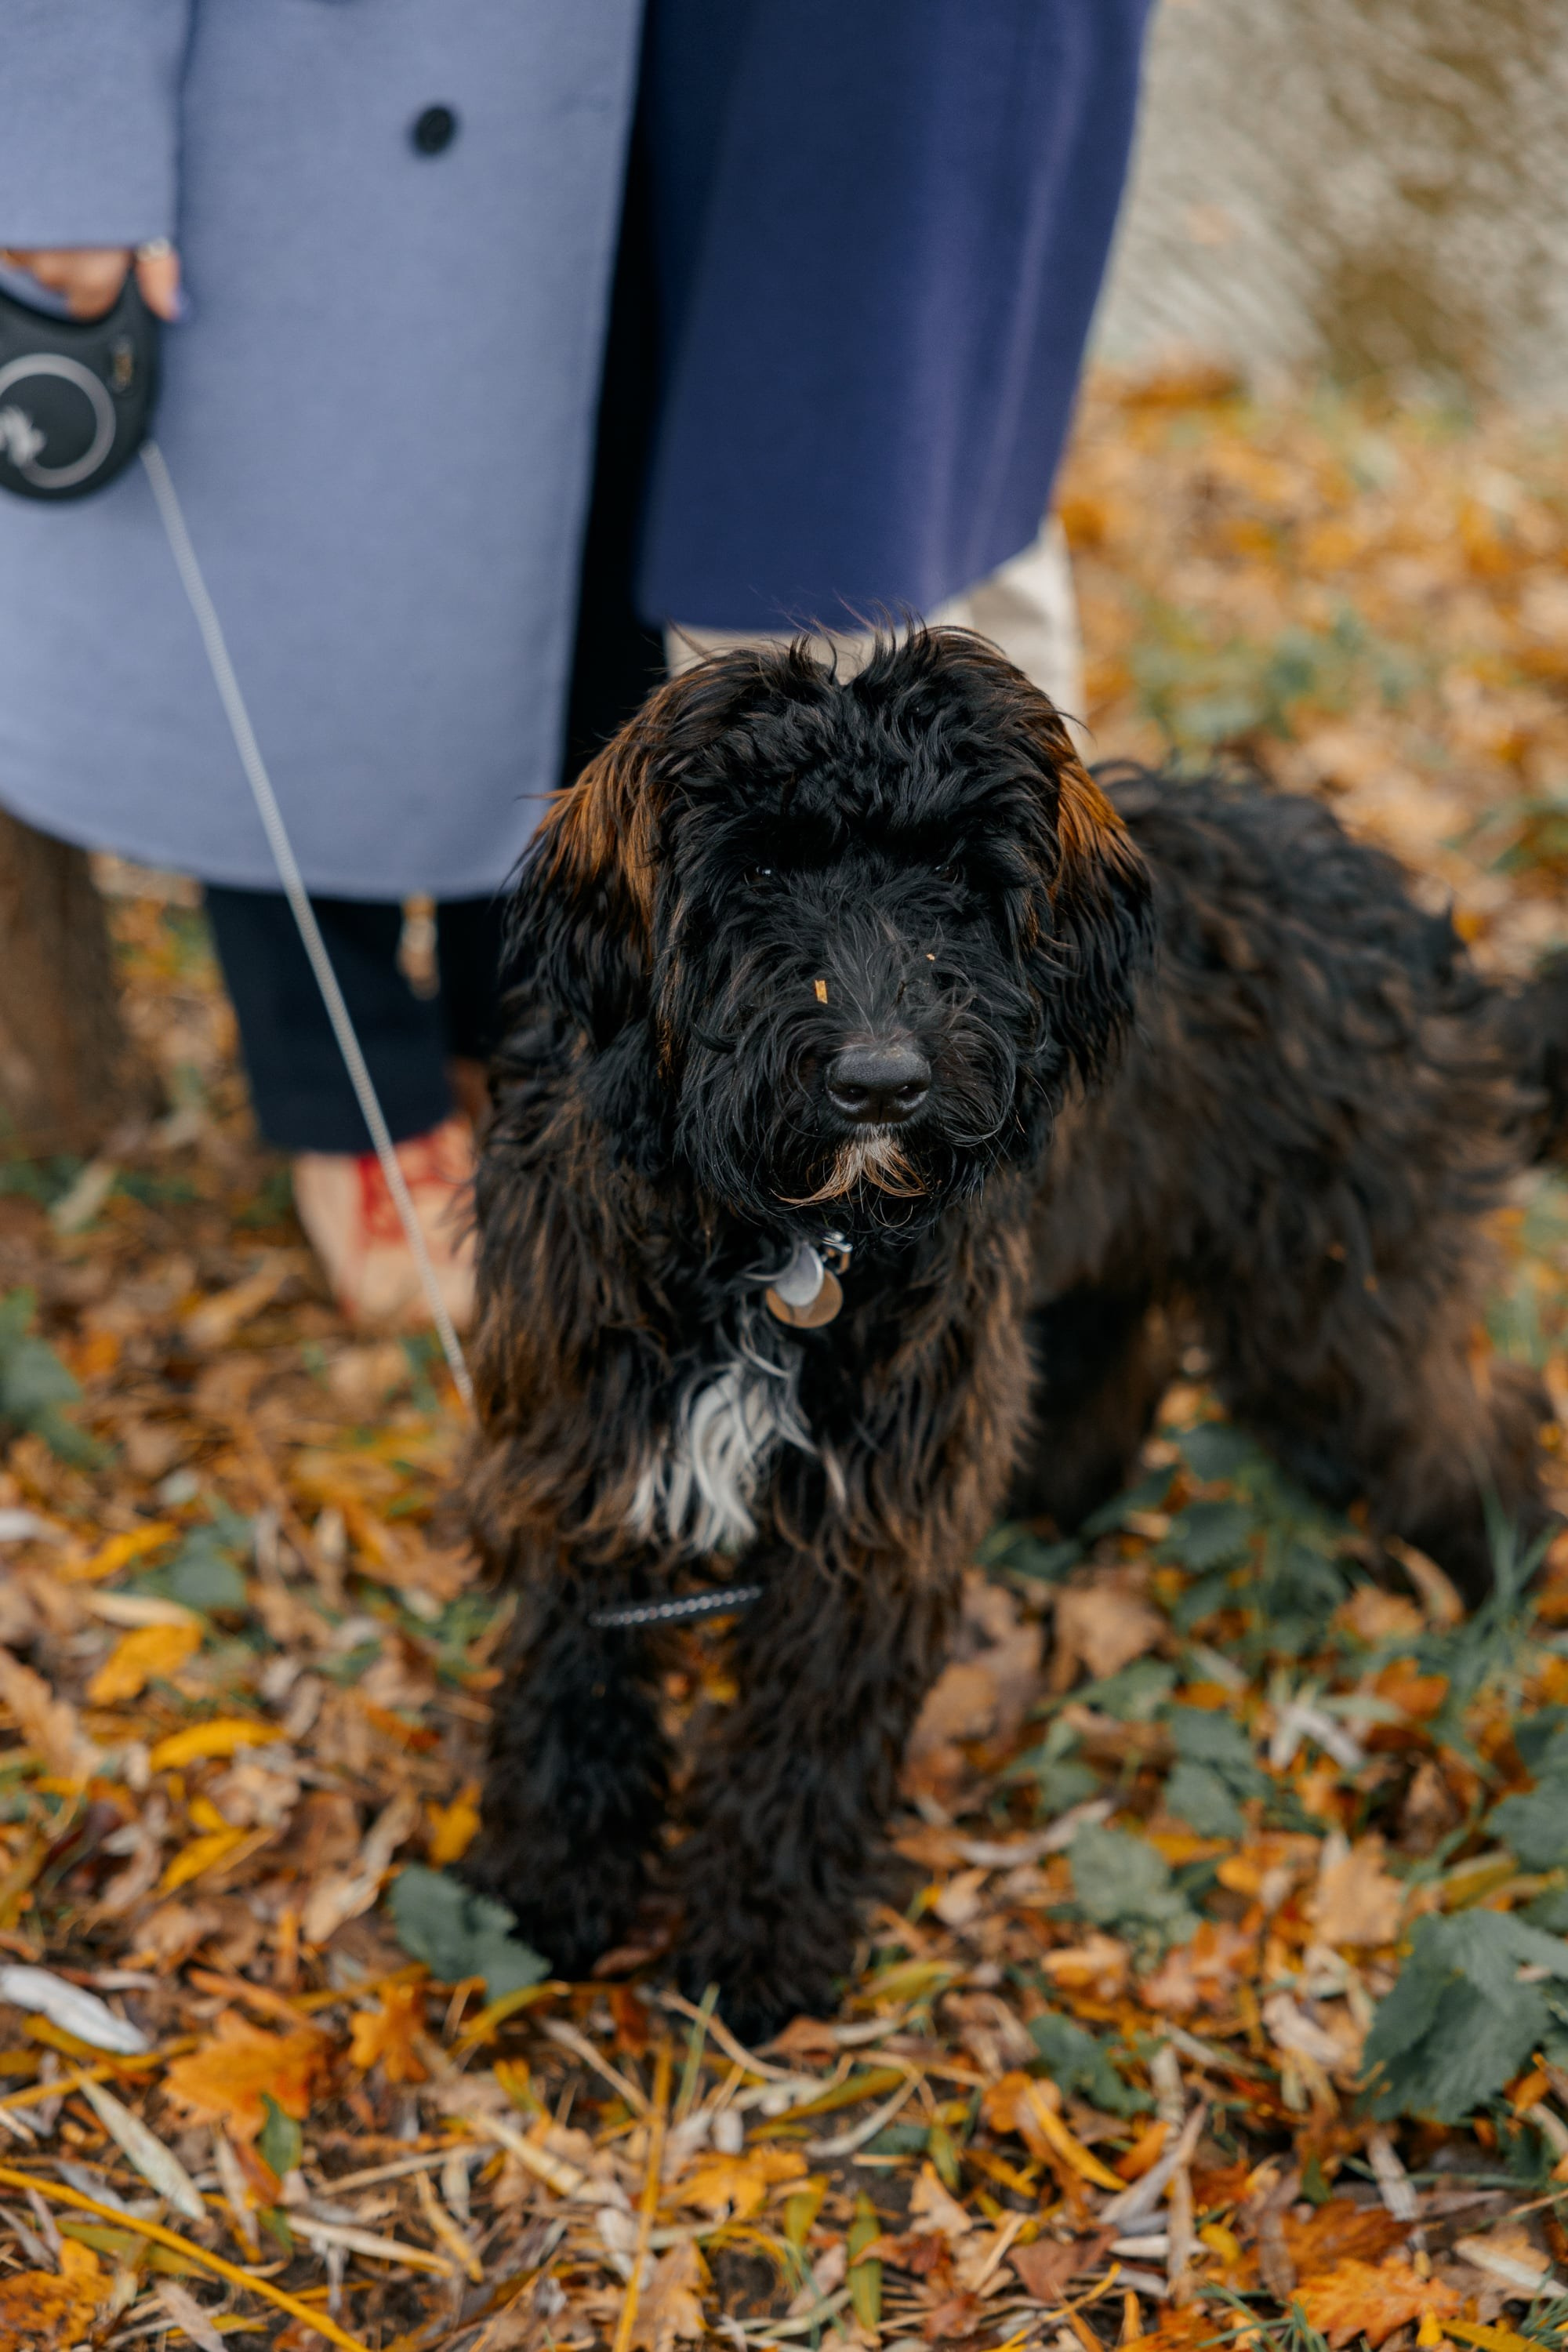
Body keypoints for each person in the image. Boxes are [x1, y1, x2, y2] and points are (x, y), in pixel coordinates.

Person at [0, 0, 1150, 1331]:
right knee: (317, 587)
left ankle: (518, 1039)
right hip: (329, 90)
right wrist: (63, 131)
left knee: (593, 584)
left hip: (657, 98)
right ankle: (353, 1089)